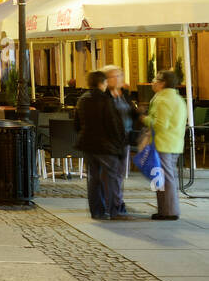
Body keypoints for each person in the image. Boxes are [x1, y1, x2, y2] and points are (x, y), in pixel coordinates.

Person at [74, 70, 128, 220]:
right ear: (101, 83)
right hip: (105, 146)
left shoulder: (82, 99)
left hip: (88, 144)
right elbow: (113, 124)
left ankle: (96, 211)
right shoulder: (105, 100)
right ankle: (114, 210)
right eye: (105, 82)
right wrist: (119, 144)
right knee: (111, 178)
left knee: (93, 179)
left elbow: (77, 123)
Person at [143, 70, 187, 220]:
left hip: (163, 144)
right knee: (164, 178)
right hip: (173, 143)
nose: (153, 82)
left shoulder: (163, 100)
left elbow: (160, 125)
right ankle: (165, 210)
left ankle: (169, 212)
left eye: (155, 80)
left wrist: (144, 119)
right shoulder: (176, 98)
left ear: (162, 83)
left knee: (165, 179)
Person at [104, 64, 139, 211]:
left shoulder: (124, 94)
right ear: (107, 79)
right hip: (111, 140)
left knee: (119, 173)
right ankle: (114, 203)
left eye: (120, 75)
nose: (119, 79)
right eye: (115, 76)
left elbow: (131, 111)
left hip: (125, 139)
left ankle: (117, 201)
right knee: (111, 173)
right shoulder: (104, 96)